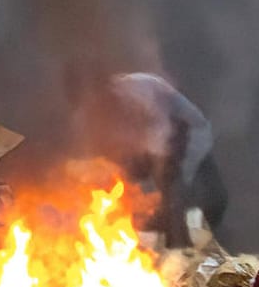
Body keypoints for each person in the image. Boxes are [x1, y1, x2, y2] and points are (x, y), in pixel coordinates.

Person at [68, 68, 227, 247]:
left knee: (210, 202)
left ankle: (177, 246)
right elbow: (97, 161)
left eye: (100, 96)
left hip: (185, 142)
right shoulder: (88, 116)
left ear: (110, 87)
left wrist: (172, 179)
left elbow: (168, 138)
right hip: (146, 159)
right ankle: (151, 242)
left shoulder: (143, 89)